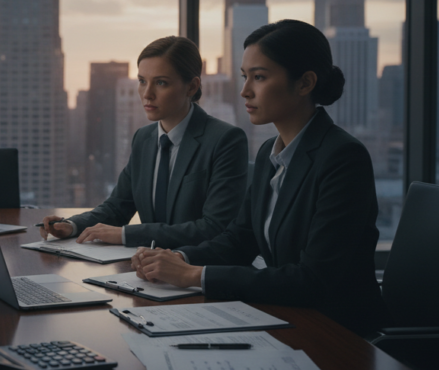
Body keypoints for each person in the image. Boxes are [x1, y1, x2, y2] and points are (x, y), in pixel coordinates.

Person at [132, 19, 386, 334]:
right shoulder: (269, 153)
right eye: (244, 77)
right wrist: (175, 257)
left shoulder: (343, 158)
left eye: (259, 77)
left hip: (336, 334)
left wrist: (192, 276)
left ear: (305, 83)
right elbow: (240, 240)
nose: (245, 90)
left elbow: (313, 280)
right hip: (286, 318)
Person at [38, 36, 248, 248]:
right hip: (147, 269)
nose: (147, 94)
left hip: (196, 270)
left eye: (161, 83)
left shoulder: (225, 140)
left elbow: (213, 228)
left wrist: (125, 235)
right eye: (142, 81)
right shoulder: (144, 138)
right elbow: (117, 207)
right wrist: (72, 225)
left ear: (192, 87)